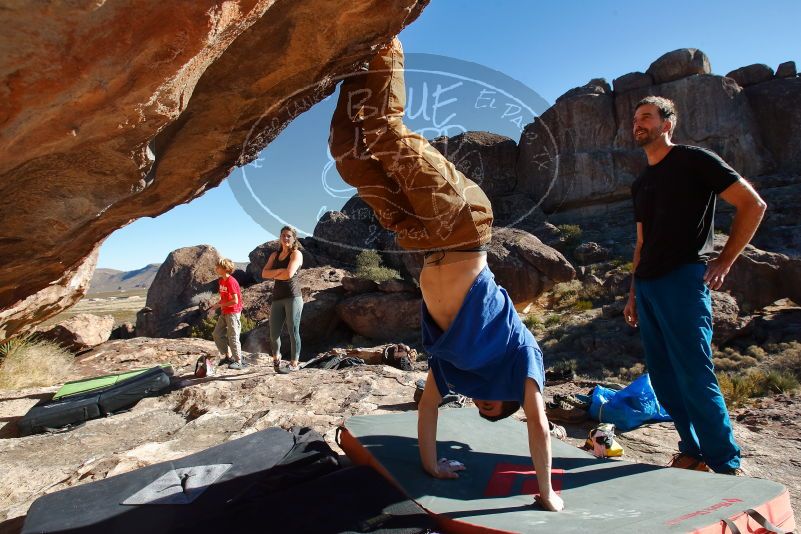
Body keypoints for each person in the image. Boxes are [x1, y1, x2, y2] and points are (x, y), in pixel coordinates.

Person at [329, 37, 563, 511]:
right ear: (507, 398)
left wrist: (431, 464)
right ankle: (383, 41)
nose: (479, 401)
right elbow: (538, 426)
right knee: (383, 130)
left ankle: (355, 71)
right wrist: (546, 492)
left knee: (349, 157)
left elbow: (429, 408)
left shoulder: (451, 365)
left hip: (420, 239)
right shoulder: (521, 356)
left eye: (479, 409)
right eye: (490, 405)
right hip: (461, 225)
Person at [623, 96, 767, 475]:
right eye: (635, 118)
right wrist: (634, 294)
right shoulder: (641, 182)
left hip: (684, 279)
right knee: (665, 378)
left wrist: (724, 260)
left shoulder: (693, 160)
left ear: (667, 124)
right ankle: (692, 451)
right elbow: (640, 243)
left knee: (694, 372)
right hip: (650, 286)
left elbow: (753, 205)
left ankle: (724, 463)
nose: (639, 124)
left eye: (647, 117)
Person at [261, 226, 304, 373]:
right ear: (280, 237)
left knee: (293, 330)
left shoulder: (296, 254)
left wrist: (277, 273)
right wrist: (280, 271)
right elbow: (264, 273)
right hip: (278, 297)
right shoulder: (275, 255)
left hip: (293, 297)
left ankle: (294, 363)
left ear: (293, 238)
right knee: (274, 333)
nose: (285, 238)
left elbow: (289, 275)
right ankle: (276, 359)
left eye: (289, 236)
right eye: (283, 235)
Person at [210, 258, 246, 370]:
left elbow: (235, 300)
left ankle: (239, 361)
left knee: (233, 336)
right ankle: (228, 356)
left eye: (218, 267)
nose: (216, 268)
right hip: (225, 311)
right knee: (217, 334)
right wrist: (216, 305)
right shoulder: (221, 281)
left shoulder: (231, 281)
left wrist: (221, 305)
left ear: (225, 269)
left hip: (233, 312)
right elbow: (224, 298)